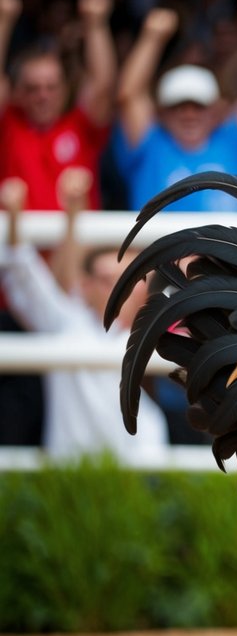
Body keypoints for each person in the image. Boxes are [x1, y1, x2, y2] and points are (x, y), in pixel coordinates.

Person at [0, 170, 168, 462]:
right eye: (107, 280)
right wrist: (15, 216)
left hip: (136, 468)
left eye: (129, 282)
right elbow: (22, 270)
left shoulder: (157, 329)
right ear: (86, 286)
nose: (119, 291)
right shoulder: (66, 324)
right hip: (68, 481)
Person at [112, 0, 237, 212]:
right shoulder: (150, 145)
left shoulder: (234, 142)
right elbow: (129, 96)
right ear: (161, 113)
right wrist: (152, 37)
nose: (189, 115)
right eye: (178, 106)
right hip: (157, 246)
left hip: (225, 246)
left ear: (217, 111)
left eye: (199, 106)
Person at [0, 0, 115, 210]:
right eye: (33, 88)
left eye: (51, 87)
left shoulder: (80, 125)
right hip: (16, 242)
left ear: (65, 89)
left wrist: (95, 25)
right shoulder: (9, 125)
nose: (43, 96)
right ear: (18, 93)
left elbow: (102, 86)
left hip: (79, 243)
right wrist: (4, 21)